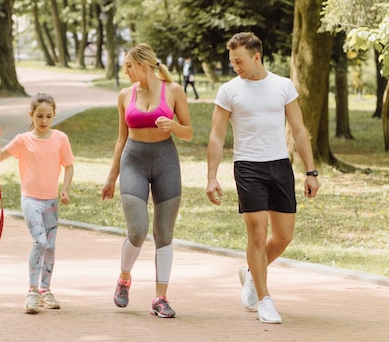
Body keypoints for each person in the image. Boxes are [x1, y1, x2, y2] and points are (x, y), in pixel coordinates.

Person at [206, 32, 320, 324]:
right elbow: (217, 135)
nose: (235, 67)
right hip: (248, 167)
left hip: (279, 165)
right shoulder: (229, 90)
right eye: (232, 62)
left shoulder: (282, 86)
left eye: (239, 61)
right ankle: (265, 299)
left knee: (283, 236)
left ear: (256, 56)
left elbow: (298, 130)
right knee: (257, 232)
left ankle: (250, 273)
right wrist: (211, 177)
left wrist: (310, 171)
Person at [101, 43, 193, 318]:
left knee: (164, 234)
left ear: (144, 64)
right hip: (133, 162)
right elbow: (121, 138)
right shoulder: (124, 95)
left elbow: (188, 132)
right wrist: (111, 177)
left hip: (166, 162)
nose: (125, 71)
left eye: (129, 66)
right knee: (138, 229)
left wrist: (173, 126)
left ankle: (160, 298)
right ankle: (124, 277)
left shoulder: (174, 91)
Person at [0, 92, 74, 314]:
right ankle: (32, 293)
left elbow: (69, 165)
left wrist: (64, 189)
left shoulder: (60, 138)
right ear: (31, 115)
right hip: (31, 200)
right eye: (39, 116)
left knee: (51, 247)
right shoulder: (23, 140)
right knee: (40, 242)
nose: (44, 121)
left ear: (54, 115)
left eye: (48, 116)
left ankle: (46, 291)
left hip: (52, 202)